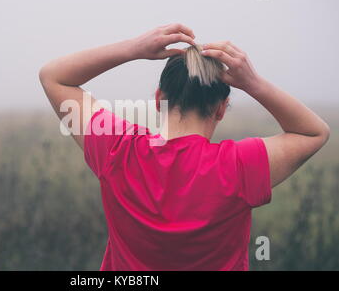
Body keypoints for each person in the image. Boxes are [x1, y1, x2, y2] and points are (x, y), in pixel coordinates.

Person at [38, 23, 330, 270]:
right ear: (220, 109)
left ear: (158, 98)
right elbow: (312, 133)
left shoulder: (118, 149)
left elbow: (55, 77)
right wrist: (253, 83)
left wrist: (133, 49)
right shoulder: (239, 165)